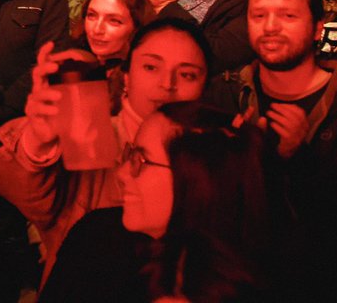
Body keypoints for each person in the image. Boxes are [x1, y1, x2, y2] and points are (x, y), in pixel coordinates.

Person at [0, 17, 214, 285]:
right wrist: (38, 138)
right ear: (127, 77)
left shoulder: (217, 158)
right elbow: (15, 183)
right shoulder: (93, 142)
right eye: (151, 67)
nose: (167, 84)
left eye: (187, 74)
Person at [42, 101, 281, 302]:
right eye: (130, 153)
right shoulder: (97, 237)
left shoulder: (237, 286)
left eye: (140, 160)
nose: (122, 173)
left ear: (195, 184)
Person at [236, 0, 337, 300]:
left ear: (318, 28)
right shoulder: (228, 95)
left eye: (287, 16)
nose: (270, 27)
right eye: (259, 16)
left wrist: (301, 161)